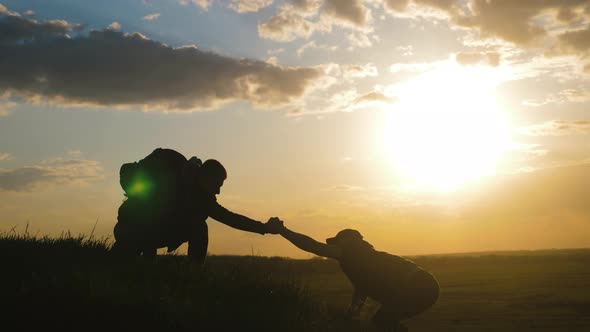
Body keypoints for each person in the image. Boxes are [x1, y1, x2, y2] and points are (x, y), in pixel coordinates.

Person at [266, 218, 439, 332]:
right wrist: (351, 315)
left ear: (348, 241)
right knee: (384, 321)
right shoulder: (363, 260)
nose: (335, 249)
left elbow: (313, 246)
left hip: (415, 286)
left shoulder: (352, 251)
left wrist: (283, 231)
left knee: (383, 322)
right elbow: (362, 291)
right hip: (425, 286)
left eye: (338, 243)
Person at [112, 148, 281, 264]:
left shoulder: (202, 198)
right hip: (131, 228)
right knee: (117, 266)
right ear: (206, 178)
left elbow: (230, 219)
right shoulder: (170, 175)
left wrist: (264, 227)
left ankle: (194, 274)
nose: (218, 191)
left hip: (155, 231)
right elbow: (147, 207)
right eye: (217, 184)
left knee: (199, 227)